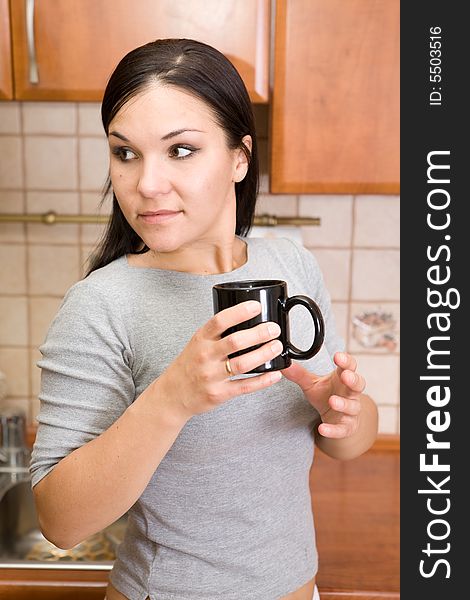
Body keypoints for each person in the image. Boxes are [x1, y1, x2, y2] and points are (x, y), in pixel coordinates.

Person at [30, 38, 378, 600]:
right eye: (126, 153)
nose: (146, 183)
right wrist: (175, 396)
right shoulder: (102, 304)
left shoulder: (289, 265)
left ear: (240, 157)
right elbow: (60, 522)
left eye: (181, 150)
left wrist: (343, 410)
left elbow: (344, 442)